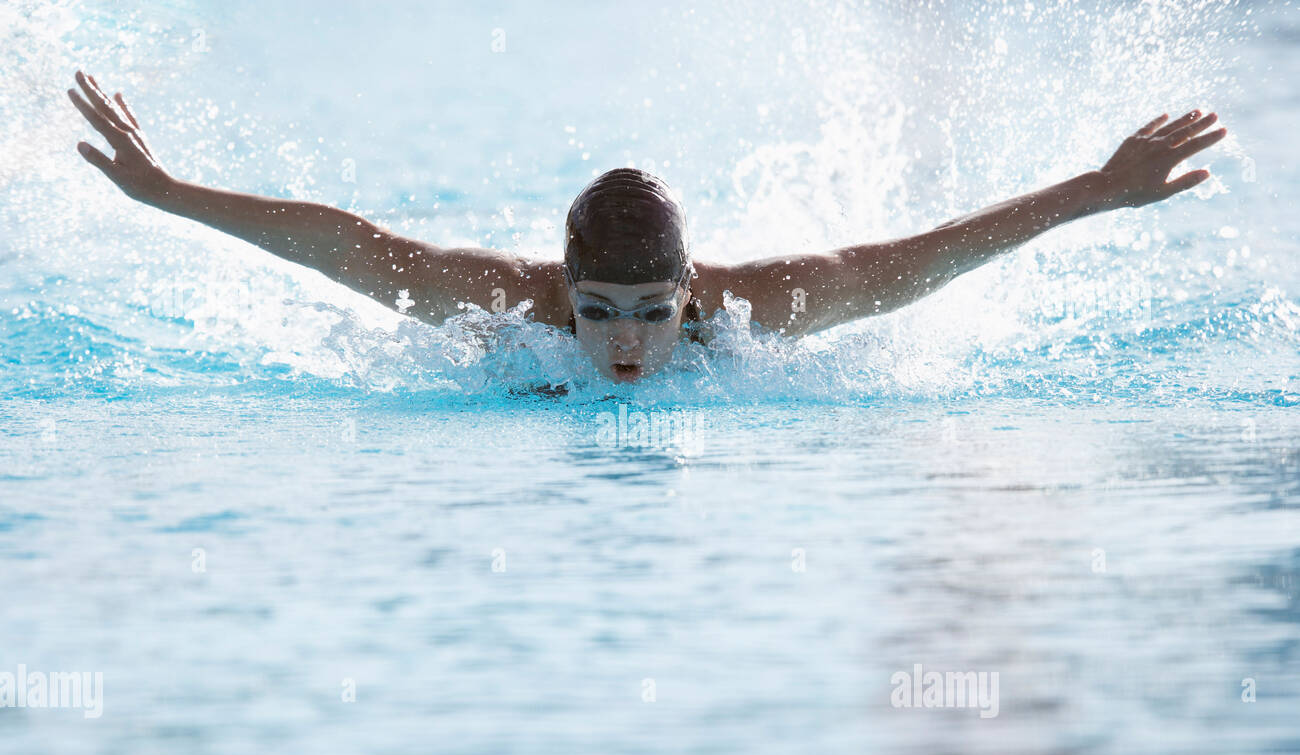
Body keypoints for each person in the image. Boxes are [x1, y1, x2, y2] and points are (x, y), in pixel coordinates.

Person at [68, 70, 1228, 384]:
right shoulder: (506, 303)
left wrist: (1092, 189)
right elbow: (344, 241)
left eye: (648, 315)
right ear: (565, 288)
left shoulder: (751, 313)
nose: (624, 343)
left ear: (688, 295)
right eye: (603, 313)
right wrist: (168, 194)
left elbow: (910, 263)